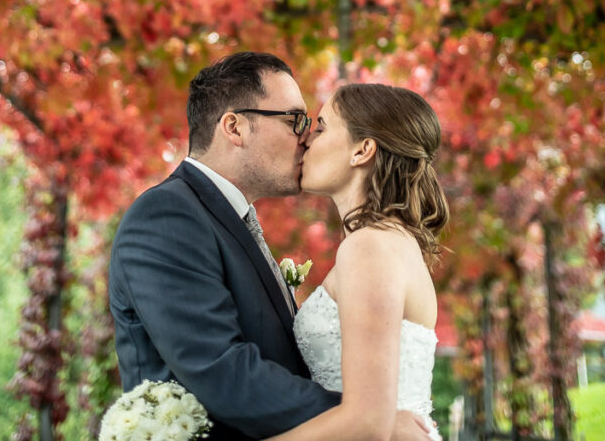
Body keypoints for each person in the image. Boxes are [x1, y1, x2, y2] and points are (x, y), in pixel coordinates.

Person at [109, 52, 429, 441]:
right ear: (235, 127)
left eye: (315, 126)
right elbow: (221, 368)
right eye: (295, 120)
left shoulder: (237, 222)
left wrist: (365, 417)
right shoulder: (167, 216)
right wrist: (366, 418)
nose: (305, 137)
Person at [262, 81, 449, 441]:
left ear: (362, 151)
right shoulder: (386, 242)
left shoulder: (370, 247)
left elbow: (365, 423)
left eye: (321, 127)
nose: (305, 140)